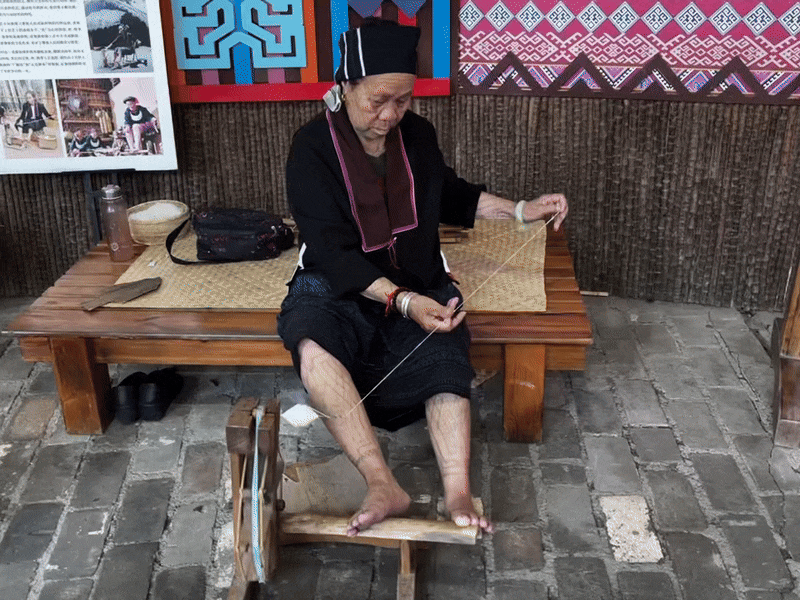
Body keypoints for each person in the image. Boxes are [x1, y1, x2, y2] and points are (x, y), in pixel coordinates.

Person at [277, 18, 568, 537]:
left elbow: (449, 194)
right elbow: (331, 250)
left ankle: (457, 489)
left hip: (415, 274)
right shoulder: (312, 147)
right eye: (378, 101)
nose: (391, 114)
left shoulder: (417, 135)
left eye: (403, 100)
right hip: (338, 282)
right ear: (346, 87)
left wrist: (522, 209)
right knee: (314, 346)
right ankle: (380, 481)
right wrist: (402, 301)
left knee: (446, 349)